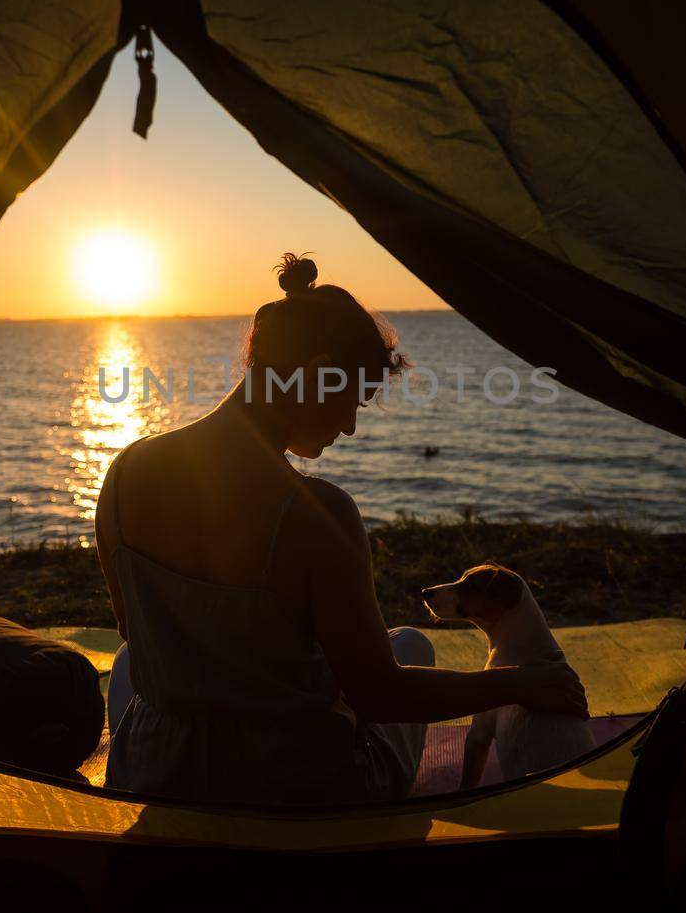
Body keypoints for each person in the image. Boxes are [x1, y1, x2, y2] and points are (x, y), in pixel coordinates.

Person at [96, 253, 587, 805]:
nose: (350, 427)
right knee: (412, 649)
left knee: (131, 666)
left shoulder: (125, 471)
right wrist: (520, 682)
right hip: (289, 788)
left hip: (156, 771)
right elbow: (380, 694)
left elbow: (137, 631)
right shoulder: (314, 511)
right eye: (352, 399)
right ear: (316, 370)